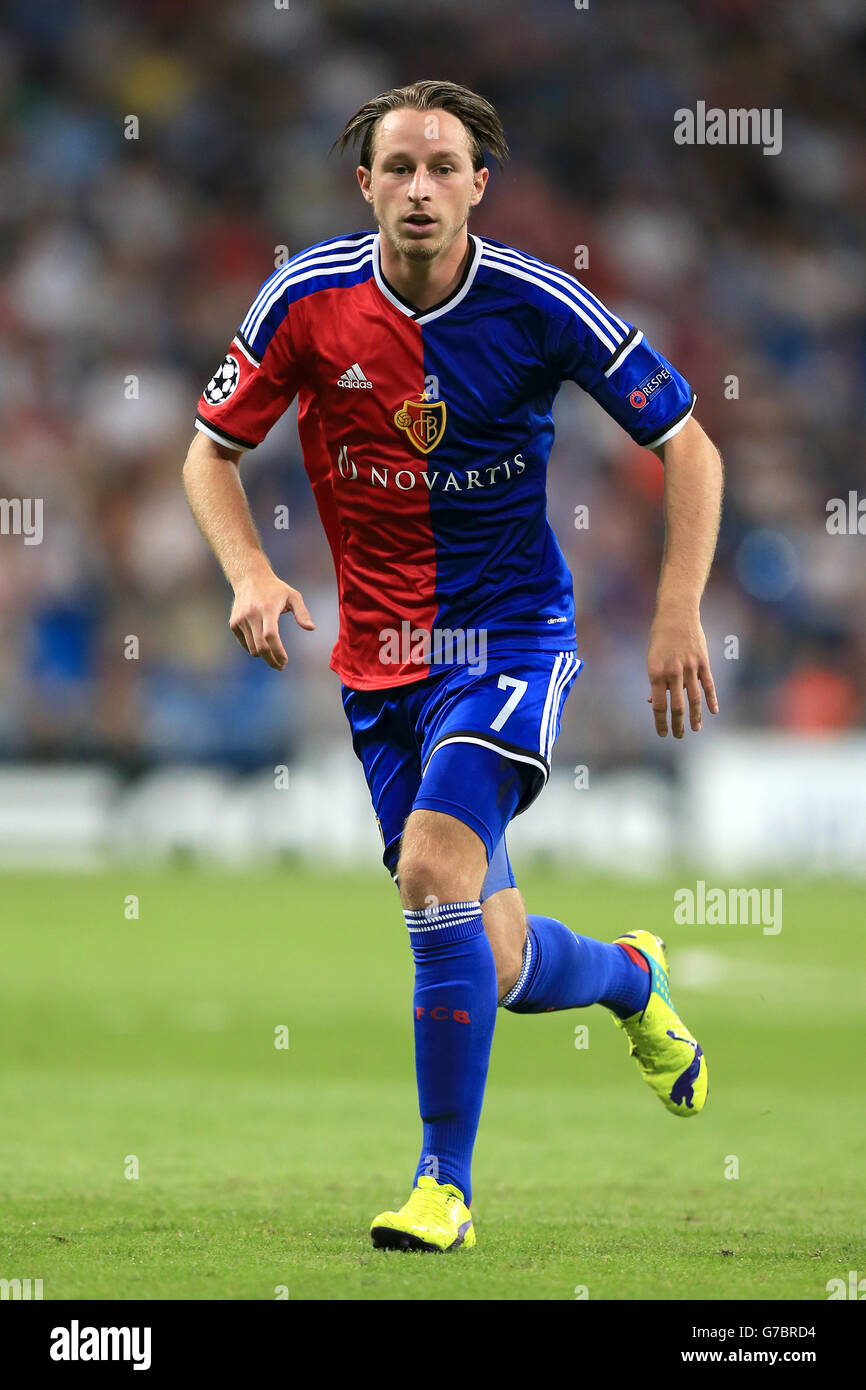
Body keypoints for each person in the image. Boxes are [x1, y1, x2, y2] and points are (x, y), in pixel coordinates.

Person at [183, 79, 722, 1253]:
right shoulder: (306, 300)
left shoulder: (534, 303)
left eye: (443, 168)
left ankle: (443, 1185)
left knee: (433, 870)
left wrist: (676, 611)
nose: (419, 188)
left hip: (510, 641)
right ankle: (630, 976)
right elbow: (208, 453)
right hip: (380, 668)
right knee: (496, 950)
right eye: (399, 168)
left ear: (480, 184)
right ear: (363, 184)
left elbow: (685, 441)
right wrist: (247, 573)